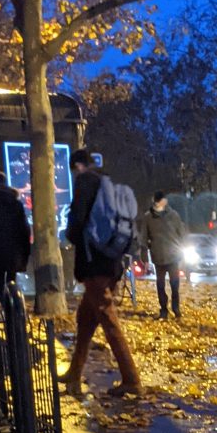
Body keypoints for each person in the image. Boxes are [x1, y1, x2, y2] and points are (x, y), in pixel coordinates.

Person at [58, 149, 142, 397]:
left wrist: (71, 235)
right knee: (85, 319)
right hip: (112, 261)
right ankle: (75, 371)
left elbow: (77, 222)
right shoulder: (109, 183)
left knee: (107, 317)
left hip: (94, 262)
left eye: (74, 169)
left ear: (78, 166)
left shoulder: (86, 182)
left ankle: (131, 379)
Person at [139, 191, 186, 319]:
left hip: (173, 256)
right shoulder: (148, 217)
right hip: (158, 256)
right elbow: (144, 237)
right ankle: (163, 309)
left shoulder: (173, 215)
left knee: (174, 285)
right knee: (160, 285)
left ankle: (176, 308)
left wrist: (182, 251)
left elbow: (181, 234)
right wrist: (144, 256)